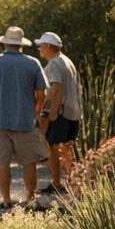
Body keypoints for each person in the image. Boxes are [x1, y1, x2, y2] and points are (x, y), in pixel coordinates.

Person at [0, 26, 51, 209]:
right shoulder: (32, 63)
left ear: (4, 43)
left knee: (2, 162)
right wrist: (37, 110)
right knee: (29, 161)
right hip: (25, 120)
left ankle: (6, 200)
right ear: (21, 45)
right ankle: (31, 199)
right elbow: (42, 92)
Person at [35, 32, 82, 194]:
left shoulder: (55, 64)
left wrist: (52, 113)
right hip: (73, 111)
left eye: (41, 46)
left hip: (60, 112)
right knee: (67, 148)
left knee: (55, 148)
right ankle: (76, 182)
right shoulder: (67, 61)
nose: (39, 49)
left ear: (48, 47)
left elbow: (57, 88)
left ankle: (57, 183)